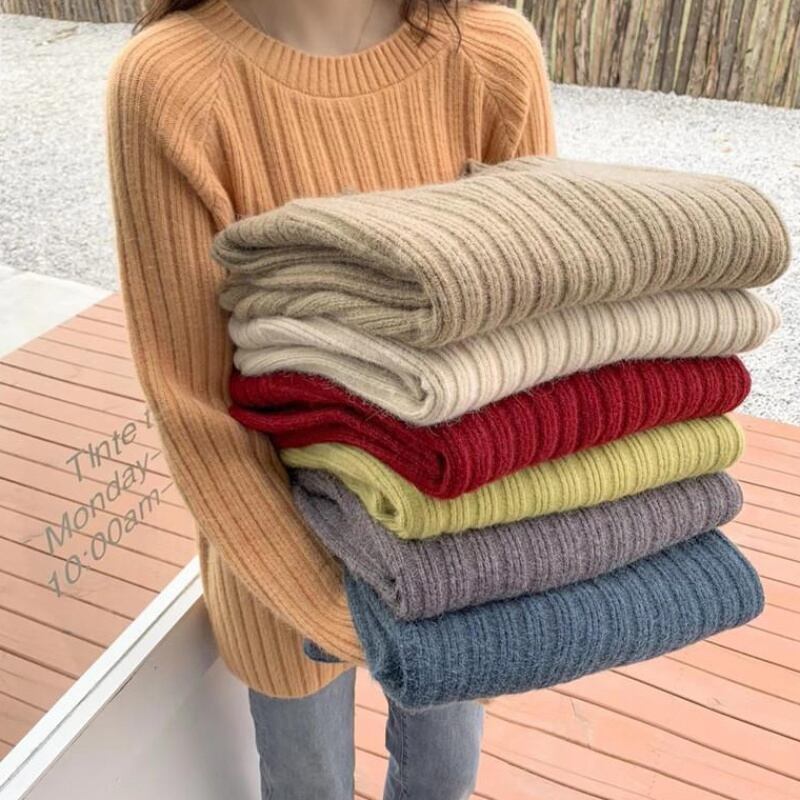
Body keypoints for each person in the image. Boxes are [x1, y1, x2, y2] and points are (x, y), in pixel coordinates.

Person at [104, 0, 556, 797]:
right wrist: (326, 603)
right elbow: (192, 399)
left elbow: (543, 328)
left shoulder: (490, 56)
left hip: (466, 541)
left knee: (444, 775)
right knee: (306, 780)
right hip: (276, 551)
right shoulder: (171, 83)